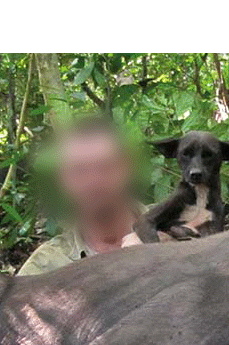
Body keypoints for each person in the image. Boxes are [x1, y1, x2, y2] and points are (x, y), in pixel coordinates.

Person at [18, 116, 146, 276]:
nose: (94, 182)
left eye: (105, 167)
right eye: (79, 171)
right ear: (63, 179)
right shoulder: (46, 266)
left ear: (126, 168)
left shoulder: (175, 226)